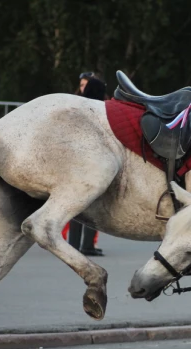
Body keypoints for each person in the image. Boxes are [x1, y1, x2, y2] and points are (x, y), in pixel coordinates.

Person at [67, 72, 106, 257]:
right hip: (89, 163)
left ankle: (79, 245)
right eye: (81, 84)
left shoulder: (76, 107)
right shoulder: (99, 109)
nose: (82, 88)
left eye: (85, 85)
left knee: (81, 205)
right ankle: (81, 245)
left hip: (80, 162)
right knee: (86, 205)